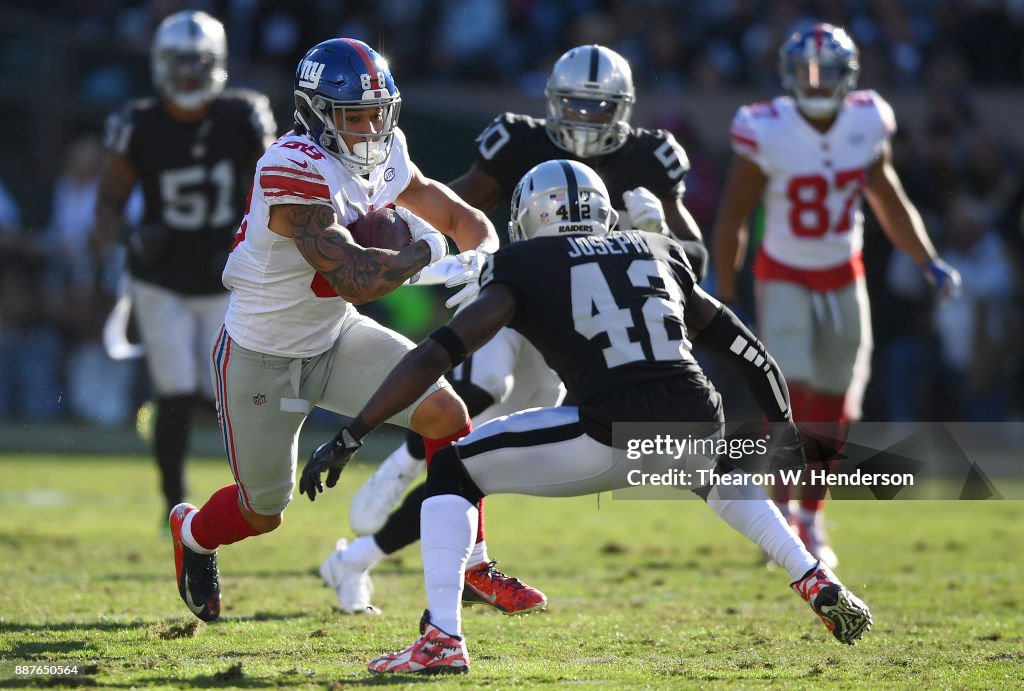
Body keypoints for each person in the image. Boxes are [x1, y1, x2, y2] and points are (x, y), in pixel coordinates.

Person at [300, 159, 873, 674]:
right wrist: (786, 431)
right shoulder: (656, 249)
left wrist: (355, 431)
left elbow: (436, 355)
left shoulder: (523, 261)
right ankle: (812, 575)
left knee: (453, 465)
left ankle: (442, 636)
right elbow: (753, 353)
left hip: (606, 433)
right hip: (698, 414)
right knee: (716, 473)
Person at [165, 37, 542, 625]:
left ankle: (472, 563)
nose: (369, 128)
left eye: (377, 113)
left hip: (334, 337)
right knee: (263, 511)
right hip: (260, 354)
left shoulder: (385, 148)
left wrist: (484, 253)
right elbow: (356, 279)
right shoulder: (289, 167)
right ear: (316, 113)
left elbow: (448, 208)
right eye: (353, 116)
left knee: (446, 413)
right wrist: (426, 252)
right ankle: (192, 533)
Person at [331, 45, 708, 607]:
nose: (582, 121)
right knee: (484, 389)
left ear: (623, 110)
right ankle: (406, 460)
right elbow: (459, 205)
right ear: (552, 103)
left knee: (482, 459)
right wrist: (423, 252)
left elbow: (691, 268)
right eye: (573, 107)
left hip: (573, 328)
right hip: (515, 295)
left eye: (597, 109)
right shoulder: (520, 141)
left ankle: (358, 558)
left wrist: (662, 233)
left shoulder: (651, 157)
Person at [712, 23, 961, 568]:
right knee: (790, 393)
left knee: (836, 396)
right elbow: (733, 216)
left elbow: (887, 197)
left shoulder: (867, 120)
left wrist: (926, 257)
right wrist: (725, 293)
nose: (817, 82)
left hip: (843, 273)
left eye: (827, 72)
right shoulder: (765, 127)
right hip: (782, 272)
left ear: (851, 77)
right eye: (806, 72)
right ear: (786, 75)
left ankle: (812, 515)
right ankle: (779, 516)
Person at [95, 10, 277, 519]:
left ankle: (249, 494)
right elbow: (106, 205)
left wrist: (251, 240)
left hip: (226, 273)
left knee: (226, 392)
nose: (189, 74)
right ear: (159, 63)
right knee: (174, 391)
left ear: (216, 64)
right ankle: (173, 503)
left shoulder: (243, 115)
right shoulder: (138, 123)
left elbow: (273, 188)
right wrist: (129, 236)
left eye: (198, 63)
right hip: (162, 278)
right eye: (180, 62)